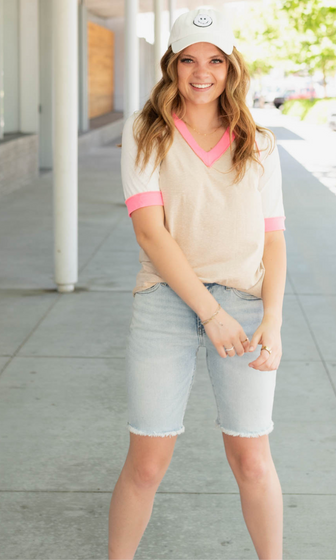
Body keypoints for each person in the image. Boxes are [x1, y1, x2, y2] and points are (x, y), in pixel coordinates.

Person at [108, 7, 286, 560]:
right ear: (172, 66)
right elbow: (150, 233)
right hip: (167, 302)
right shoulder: (145, 130)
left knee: (252, 459)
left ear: (232, 68)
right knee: (147, 461)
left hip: (245, 305)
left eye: (215, 60)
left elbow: (274, 240)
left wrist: (273, 322)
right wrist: (210, 313)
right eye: (189, 59)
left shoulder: (258, 142)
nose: (202, 71)